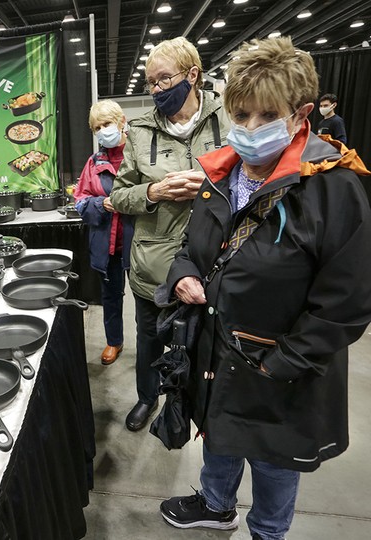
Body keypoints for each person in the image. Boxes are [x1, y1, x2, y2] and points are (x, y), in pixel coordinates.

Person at [159, 37, 371, 540]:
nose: (250, 129)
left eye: (265, 115)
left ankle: (268, 531)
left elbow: (347, 302)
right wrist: (183, 272)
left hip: (281, 365)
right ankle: (215, 504)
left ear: (300, 115)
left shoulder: (332, 188)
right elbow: (194, 247)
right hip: (216, 347)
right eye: (241, 115)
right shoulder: (220, 175)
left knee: (274, 459)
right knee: (218, 434)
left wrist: (286, 362)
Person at [109, 37, 229, 431]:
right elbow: (118, 195)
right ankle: (148, 398)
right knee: (149, 338)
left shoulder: (227, 118)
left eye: (164, 79)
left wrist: (211, 185)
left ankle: (195, 403)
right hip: (153, 263)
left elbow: (252, 179)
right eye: (151, 82)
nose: (156, 89)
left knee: (205, 340)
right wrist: (152, 191)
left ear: (192, 75)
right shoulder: (141, 131)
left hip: (212, 260)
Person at [74, 100, 134, 365]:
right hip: (107, 245)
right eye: (97, 128)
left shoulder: (139, 154)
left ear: (121, 121)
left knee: (147, 299)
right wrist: (101, 203)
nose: (102, 131)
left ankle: (151, 344)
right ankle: (114, 341)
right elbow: (80, 200)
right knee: (111, 297)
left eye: (107, 124)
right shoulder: (94, 161)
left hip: (140, 241)